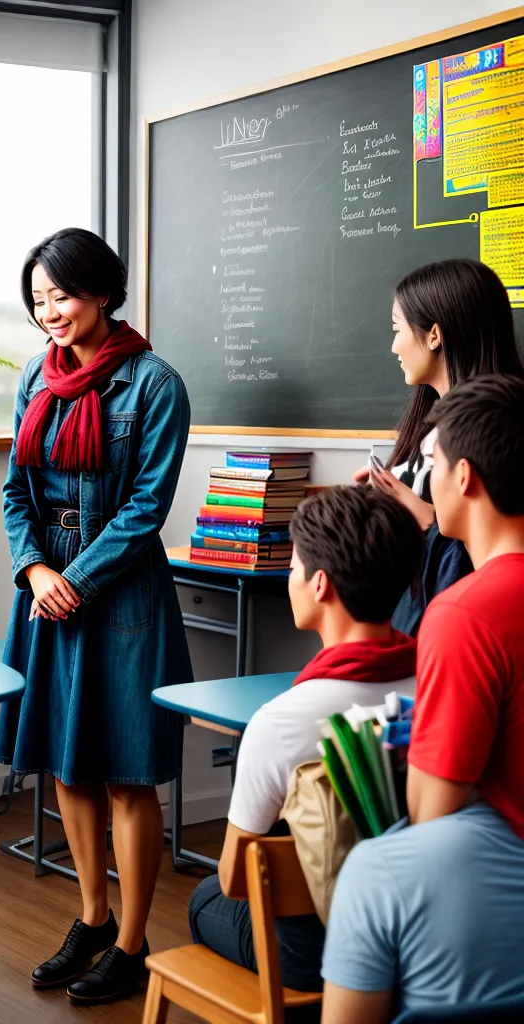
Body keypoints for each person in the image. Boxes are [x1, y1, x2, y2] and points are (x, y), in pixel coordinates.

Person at [0, 227, 193, 1005]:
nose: (51, 312)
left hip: (123, 600)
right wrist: (36, 568)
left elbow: (146, 510)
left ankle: (134, 943)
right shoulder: (34, 382)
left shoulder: (154, 384)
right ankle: (92, 917)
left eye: (63, 296)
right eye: (39, 300)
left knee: (125, 775)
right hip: (48, 593)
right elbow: (16, 491)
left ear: (103, 292)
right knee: (65, 766)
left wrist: (72, 577)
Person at [322, 375, 524, 1023]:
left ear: (464, 478)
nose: (425, 480)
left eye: (431, 464)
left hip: (496, 867)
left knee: (371, 871)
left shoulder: (465, 611)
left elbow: (433, 809)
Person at [187, 486, 421, 992]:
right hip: (422, 936)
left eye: (292, 567)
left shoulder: (282, 721)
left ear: (320, 585)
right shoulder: (439, 686)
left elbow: (234, 880)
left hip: (313, 954)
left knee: (205, 896)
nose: (290, 578)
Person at [354, 258, 524, 635]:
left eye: (398, 328)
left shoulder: (497, 430)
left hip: (456, 628)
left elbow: (498, 553)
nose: (394, 345)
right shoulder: (427, 424)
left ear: (434, 335)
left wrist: (424, 516)